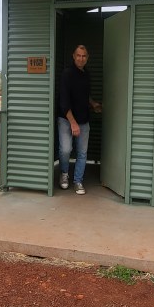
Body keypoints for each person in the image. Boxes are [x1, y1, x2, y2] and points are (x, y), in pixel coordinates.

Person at [57, 44, 101, 195]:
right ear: (73, 56)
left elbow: (84, 95)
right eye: (78, 55)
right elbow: (64, 102)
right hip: (66, 119)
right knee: (65, 150)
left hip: (83, 120)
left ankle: (78, 181)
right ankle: (64, 173)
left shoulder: (86, 74)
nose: (81, 59)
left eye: (84, 56)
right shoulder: (67, 74)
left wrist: (93, 104)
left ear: (87, 58)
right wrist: (73, 123)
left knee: (82, 153)